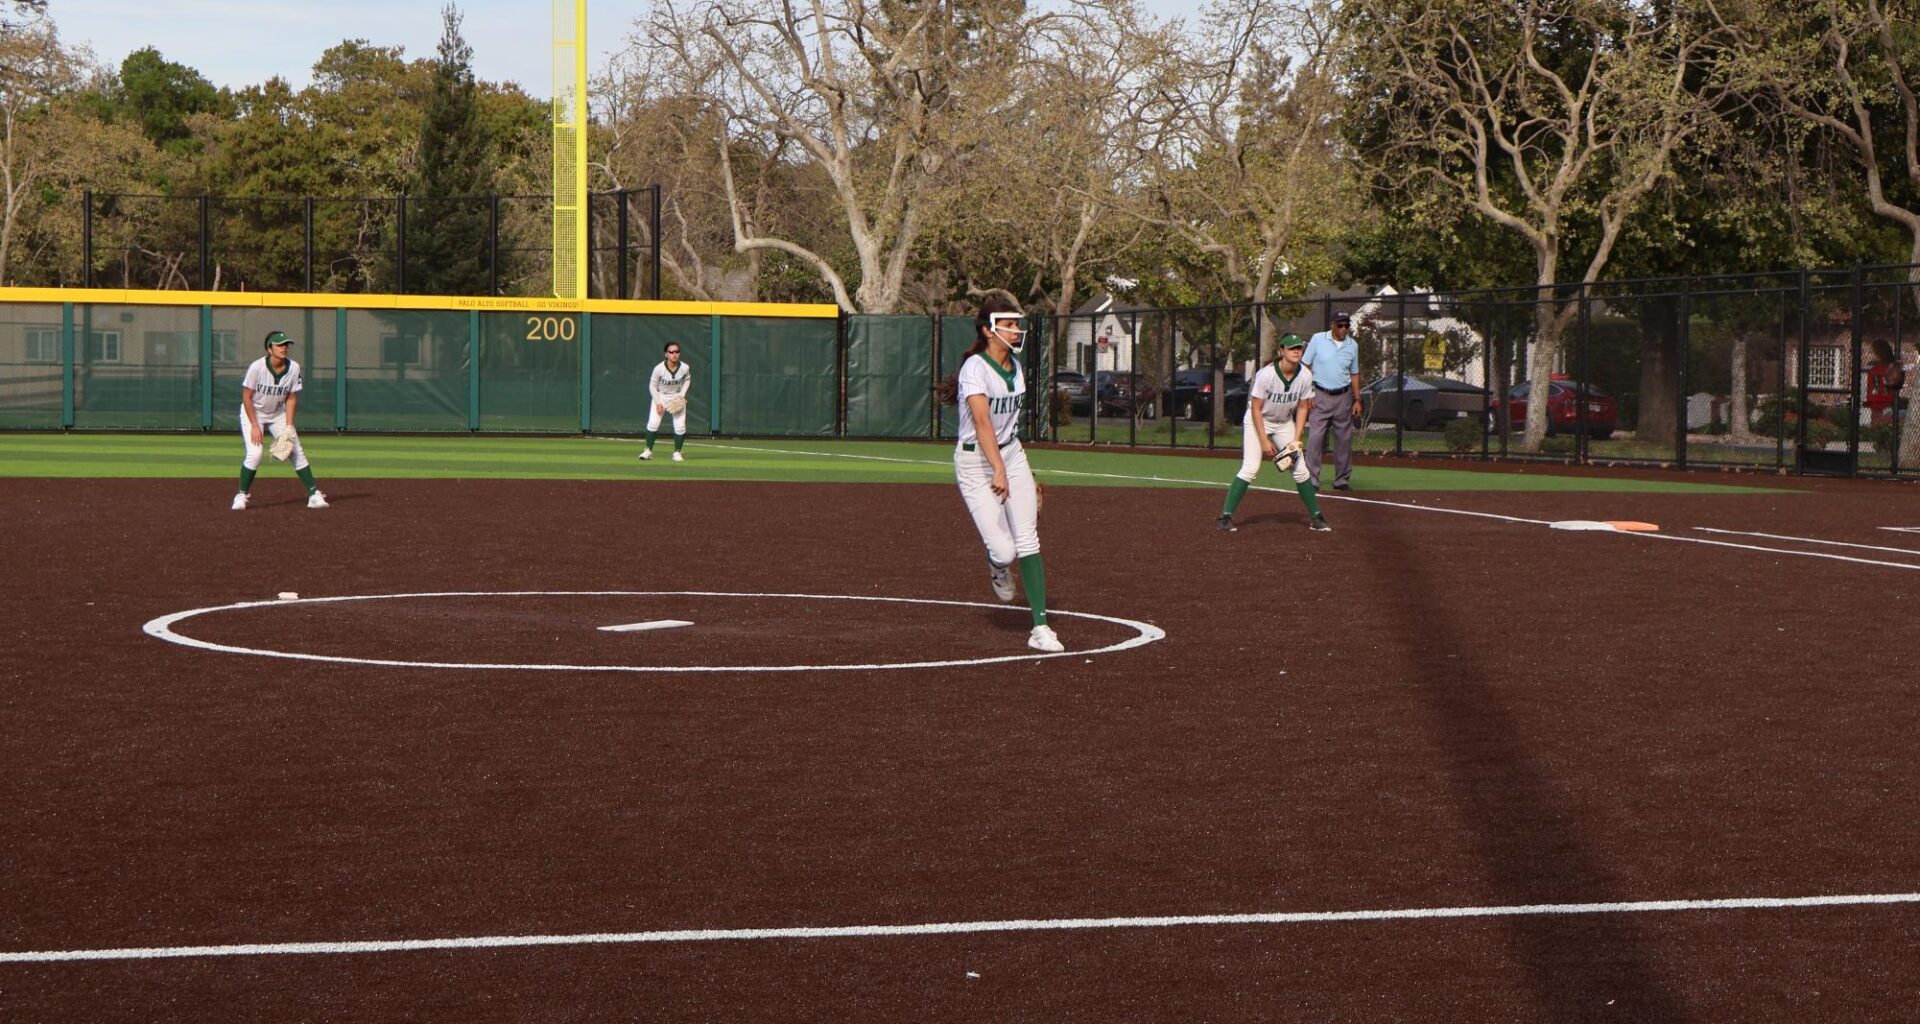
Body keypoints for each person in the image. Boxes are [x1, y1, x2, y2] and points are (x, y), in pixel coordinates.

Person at [953, 292, 1062, 653]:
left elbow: (1006, 430)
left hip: (1011, 455)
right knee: (1004, 550)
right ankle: (996, 565)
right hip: (975, 462)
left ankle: (1041, 628)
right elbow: (982, 422)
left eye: (1017, 325)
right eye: (1009, 325)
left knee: (1028, 539)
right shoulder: (975, 369)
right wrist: (997, 470)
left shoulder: (1016, 368)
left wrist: (1017, 473)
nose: (1017, 331)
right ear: (988, 330)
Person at [1216, 333, 1330, 533]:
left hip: (1284, 423)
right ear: (1281, 351)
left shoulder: (1304, 375)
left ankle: (1316, 517)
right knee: (1251, 468)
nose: (1296, 351)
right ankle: (1225, 517)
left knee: (1301, 469)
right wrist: (1263, 440)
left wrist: (1296, 440)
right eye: (1291, 347)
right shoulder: (1266, 374)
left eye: (1299, 348)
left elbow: (1303, 407)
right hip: (1258, 420)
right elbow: (1256, 409)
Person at [232, 330, 326, 510]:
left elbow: (291, 398)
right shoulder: (257, 367)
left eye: (286, 344)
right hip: (253, 413)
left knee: (296, 450)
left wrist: (289, 426)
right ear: (269, 349)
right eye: (279, 345)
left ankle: (314, 495)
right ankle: (241, 496)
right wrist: (254, 425)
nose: (284, 348)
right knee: (255, 453)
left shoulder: (294, 368)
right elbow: (246, 397)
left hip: (277, 414)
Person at [1301, 310, 1363, 491]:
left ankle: (1342, 479)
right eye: (1340, 325)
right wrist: (1308, 392)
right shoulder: (1318, 339)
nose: (1344, 329)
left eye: (1347, 325)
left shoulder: (1353, 345)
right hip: (1320, 395)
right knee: (1315, 438)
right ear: (1332, 325)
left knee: (1344, 439)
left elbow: (1354, 373)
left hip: (1343, 397)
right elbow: (1305, 366)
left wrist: (1357, 399)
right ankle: (1311, 478)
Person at [639, 341, 691, 461]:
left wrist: (682, 395)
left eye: (677, 351)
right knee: (653, 424)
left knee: (680, 427)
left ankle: (677, 453)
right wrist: (657, 402)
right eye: (671, 352)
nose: (674, 354)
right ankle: (648, 451)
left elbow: (687, 380)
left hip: (676, 396)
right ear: (666, 354)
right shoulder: (659, 369)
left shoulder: (684, 367)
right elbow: (652, 386)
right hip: (660, 396)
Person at [1866, 338, 1906, 426]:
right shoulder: (1893, 366)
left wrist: (1871, 401)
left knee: (1878, 424)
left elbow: (1875, 388)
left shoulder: (1876, 369)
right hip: (1888, 400)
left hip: (1879, 402)